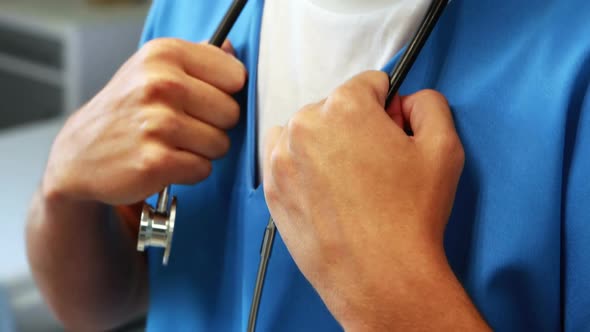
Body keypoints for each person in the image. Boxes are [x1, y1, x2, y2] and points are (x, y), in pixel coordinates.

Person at [25, 0, 590, 331]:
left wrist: (397, 293)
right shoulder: (194, 11)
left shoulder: (572, 63)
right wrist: (63, 185)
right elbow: (99, 302)